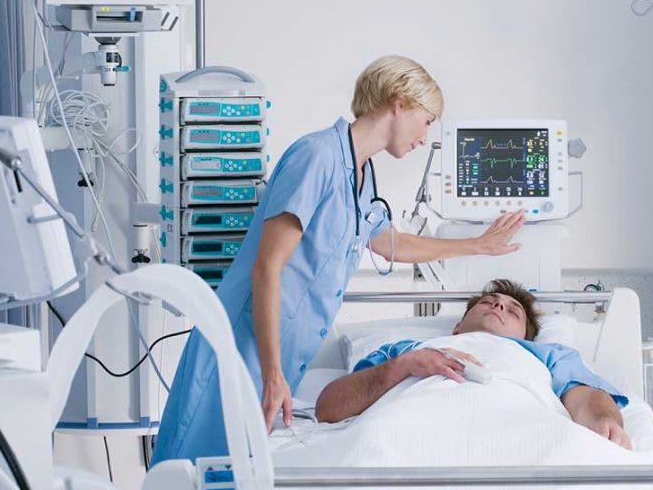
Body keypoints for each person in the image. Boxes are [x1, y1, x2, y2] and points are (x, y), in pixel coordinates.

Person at [152, 56, 524, 464]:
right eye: (428, 119)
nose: (425, 135)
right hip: (243, 344)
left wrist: (478, 245)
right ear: (399, 102)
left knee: (235, 477)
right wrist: (273, 373)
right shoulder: (317, 157)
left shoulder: (360, 175)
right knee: (192, 465)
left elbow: (388, 243)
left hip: (278, 352)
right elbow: (268, 267)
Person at [315, 279, 632, 449]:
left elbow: (585, 397)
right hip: (403, 432)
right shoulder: (406, 350)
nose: (498, 305)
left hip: (522, 431)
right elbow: (328, 408)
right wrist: (402, 366)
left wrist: (604, 422)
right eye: (488, 302)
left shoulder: (547, 355)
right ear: (456, 327)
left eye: (513, 310)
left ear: (526, 336)